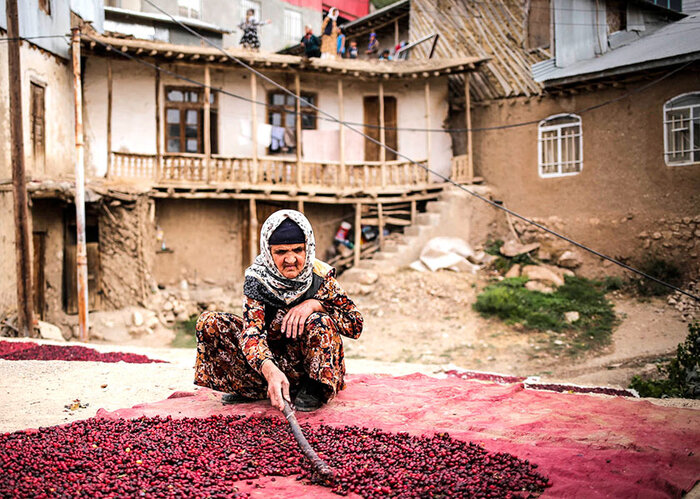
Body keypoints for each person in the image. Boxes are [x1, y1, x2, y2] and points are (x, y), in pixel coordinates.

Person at [194, 210, 363, 412]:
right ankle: (256, 387)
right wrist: (269, 368)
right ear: (268, 252)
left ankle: (313, 389)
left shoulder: (320, 277)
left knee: (320, 321)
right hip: (271, 363)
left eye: (297, 250)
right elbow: (252, 333)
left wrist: (315, 304)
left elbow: (355, 324)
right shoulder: (258, 280)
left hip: (307, 367)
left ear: (307, 249)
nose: (290, 259)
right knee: (210, 323)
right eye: (281, 252)